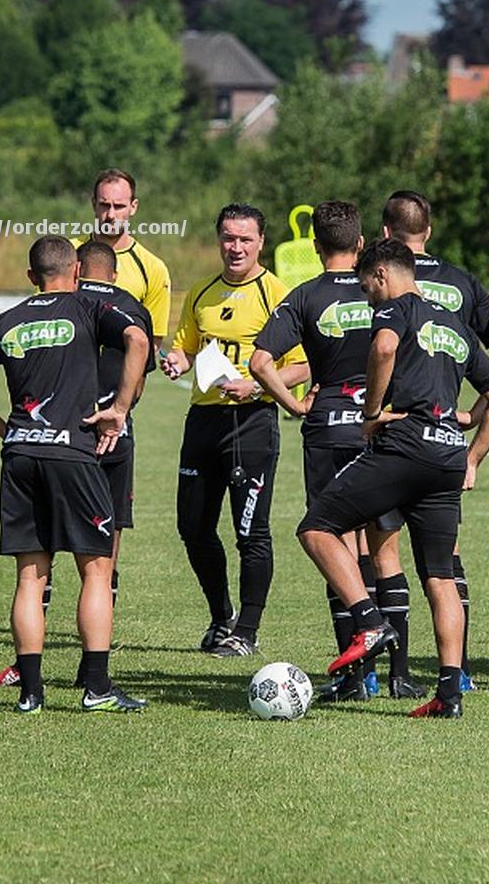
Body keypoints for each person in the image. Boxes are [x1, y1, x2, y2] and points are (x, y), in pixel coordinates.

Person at [298, 239, 489, 720]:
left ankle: (369, 621)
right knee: (440, 577)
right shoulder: (456, 325)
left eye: (365, 286)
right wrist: (472, 456)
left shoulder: (396, 310)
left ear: (380, 276)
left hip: (405, 445)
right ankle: (448, 694)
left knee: (316, 528)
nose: (367, 296)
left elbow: (384, 346)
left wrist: (371, 414)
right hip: (446, 457)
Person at [0, 235, 151, 713]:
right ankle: (96, 687)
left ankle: (31, 692)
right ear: (77, 270)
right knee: (96, 570)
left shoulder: (8, 320)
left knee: (30, 578)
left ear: (30, 276)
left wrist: (4, 428)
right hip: (73, 454)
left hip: (20, 456)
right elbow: (138, 339)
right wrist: (118, 408)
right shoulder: (86, 309)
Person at [249, 199, 398, 699]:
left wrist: (293, 405)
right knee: (380, 547)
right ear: (360, 245)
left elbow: (260, 362)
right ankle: (393, 674)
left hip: (327, 429)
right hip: (379, 428)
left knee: (333, 544)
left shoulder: (303, 295)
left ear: (315, 247)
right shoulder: (381, 291)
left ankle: (357, 675)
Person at [380, 189, 489, 690]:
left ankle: (391, 672)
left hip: (393, 432)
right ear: (428, 231)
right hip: (444, 436)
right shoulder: (460, 282)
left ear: (386, 233)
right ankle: (457, 672)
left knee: (383, 553)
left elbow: (375, 348)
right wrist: (477, 411)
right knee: (444, 560)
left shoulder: (379, 279)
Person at [161, 204, 305, 657]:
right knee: (193, 526)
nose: (235, 247)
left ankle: (248, 628)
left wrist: (257, 383)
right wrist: (176, 361)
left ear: (261, 242)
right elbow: (187, 348)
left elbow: (305, 363)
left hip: (252, 424)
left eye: (245, 239)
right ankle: (221, 617)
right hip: (202, 422)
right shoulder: (201, 292)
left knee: (251, 532)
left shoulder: (278, 294)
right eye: (228, 237)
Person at [85, 168, 171, 351]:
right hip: (70, 377)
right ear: (94, 204)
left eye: (119, 206)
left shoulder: (153, 268)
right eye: (104, 205)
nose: (111, 215)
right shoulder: (67, 255)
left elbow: (151, 342)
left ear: (134, 207)